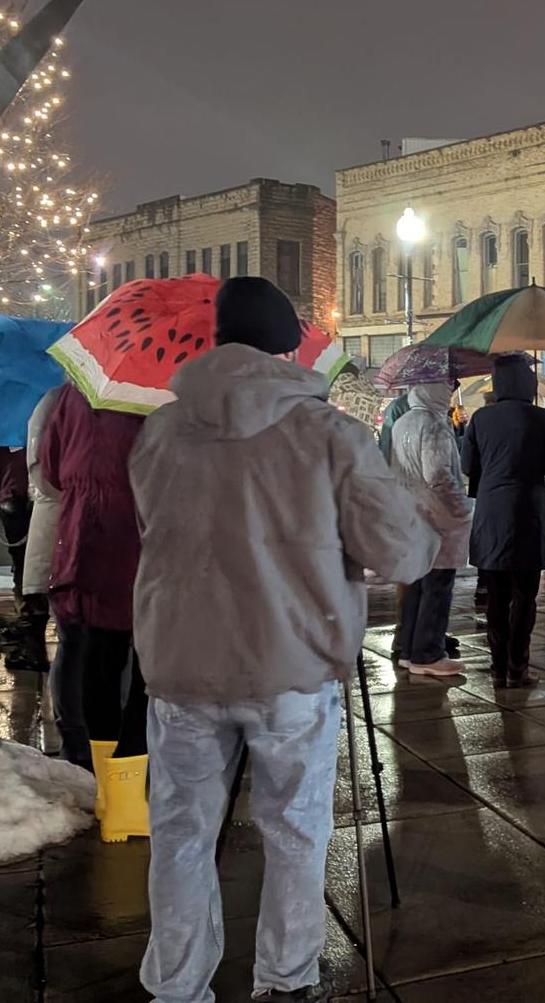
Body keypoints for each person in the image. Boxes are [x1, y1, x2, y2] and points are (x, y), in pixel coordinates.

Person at [130, 275, 439, 1003]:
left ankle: (176, 985)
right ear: (289, 347)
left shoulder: (161, 430)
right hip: (291, 663)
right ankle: (286, 979)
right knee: (296, 831)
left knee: (180, 834)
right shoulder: (328, 433)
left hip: (180, 660)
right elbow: (398, 553)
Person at [39, 375, 150, 842]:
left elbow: (50, 469)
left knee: (98, 660)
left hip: (85, 537)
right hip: (144, 543)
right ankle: (131, 800)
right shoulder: (165, 397)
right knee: (148, 674)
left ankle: (108, 793)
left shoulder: (74, 390)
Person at [463, 355, 545, 688]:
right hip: (527, 512)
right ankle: (517, 666)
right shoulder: (543, 418)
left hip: (491, 514)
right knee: (525, 594)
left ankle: (496, 666)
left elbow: (468, 467)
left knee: (496, 594)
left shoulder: (480, 418)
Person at [390, 381, 472, 677]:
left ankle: (410, 650)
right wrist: (460, 507)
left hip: (410, 515)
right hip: (437, 518)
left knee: (417, 584)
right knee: (438, 586)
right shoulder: (433, 425)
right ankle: (428, 653)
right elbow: (437, 473)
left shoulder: (403, 422)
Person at [24, 386, 73, 758]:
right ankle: (69, 725)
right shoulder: (56, 402)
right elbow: (45, 477)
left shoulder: (53, 401)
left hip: (68, 526)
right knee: (72, 635)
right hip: (63, 528)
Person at [0, 443, 49, 672]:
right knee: (29, 564)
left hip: (16, 490)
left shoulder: (9, 419)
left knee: (26, 565)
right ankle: (30, 640)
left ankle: (32, 648)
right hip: (27, 489)